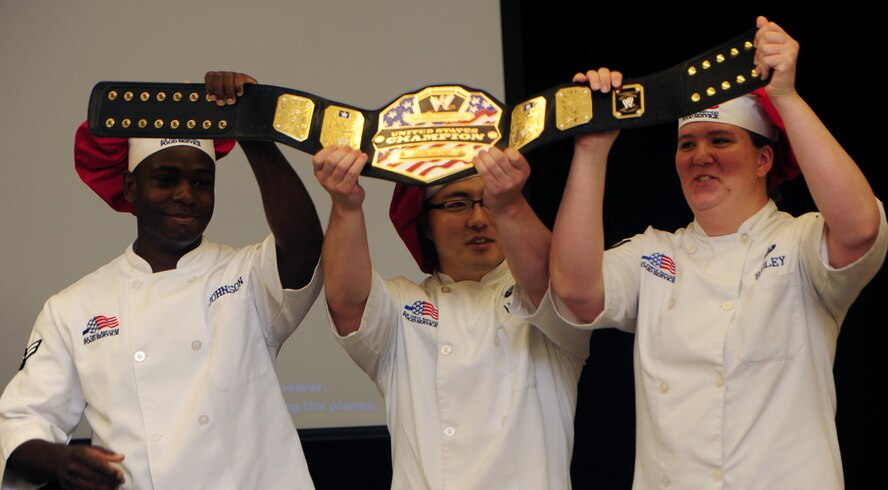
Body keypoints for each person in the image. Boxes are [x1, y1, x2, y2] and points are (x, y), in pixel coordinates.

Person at [550, 17, 887, 489]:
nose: (699, 156)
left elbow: (859, 227)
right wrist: (591, 148)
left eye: (720, 140)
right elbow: (574, 292)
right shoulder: (656, 254)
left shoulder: (800, 244)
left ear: (763, 160)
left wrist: (785, 97)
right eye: (687, 144)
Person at [0, 72, 323, 489]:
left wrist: (252, 129)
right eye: (167, 179)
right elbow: (21, 421)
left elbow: (303, 245)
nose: (187, 194)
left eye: (201, 183)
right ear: (131, 187)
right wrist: (61, 460)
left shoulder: (244, 276)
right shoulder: (74, 307)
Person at [313, 140, 591, 488]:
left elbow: (554, 277)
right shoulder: (403, 305)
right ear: (425, 223)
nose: (478, 218)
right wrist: (345, 205)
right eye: (457, 204)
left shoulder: (546, 301)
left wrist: (510, 203)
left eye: (491, 201)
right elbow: (347, 302)